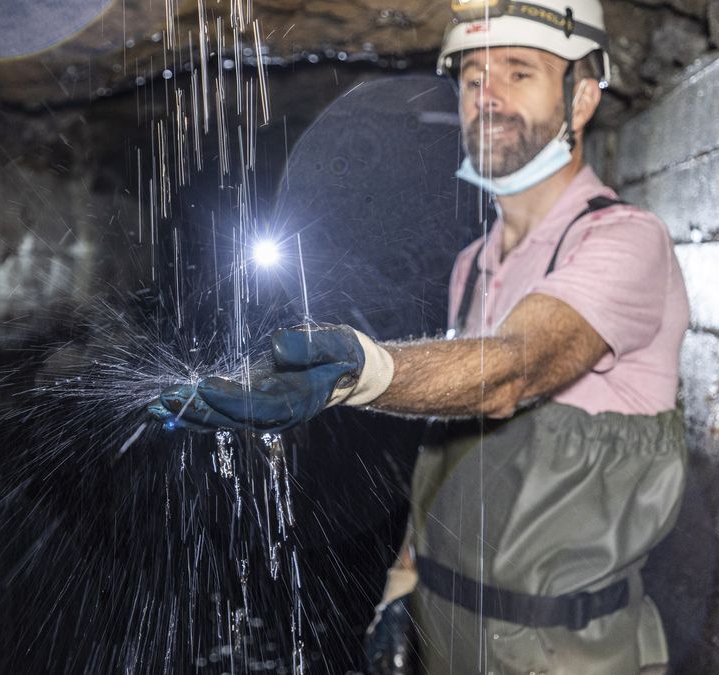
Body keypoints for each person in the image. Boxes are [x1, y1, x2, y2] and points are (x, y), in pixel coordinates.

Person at [149, 1, 689, 672]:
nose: (486, 96)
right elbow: (452, 453)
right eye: (470, 77)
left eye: (520, 72)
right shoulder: (474, 265)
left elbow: (511, 371)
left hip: (564, 652)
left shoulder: (625, 240)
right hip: (446, 630)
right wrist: (402, 588)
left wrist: (362, 371)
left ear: (580, 98)